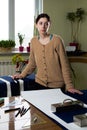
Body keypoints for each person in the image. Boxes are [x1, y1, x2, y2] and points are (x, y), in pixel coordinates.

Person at [13, 13, 83, 94]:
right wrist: (22, 75)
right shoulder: (33, 41)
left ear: (49, 25)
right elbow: (32, 63)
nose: (43, 26)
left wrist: (69, 86)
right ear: (36, 25)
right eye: (41, 23)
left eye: (46, 24)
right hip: (39, 84)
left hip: (57, 86)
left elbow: (65, 65)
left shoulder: (57, 40)